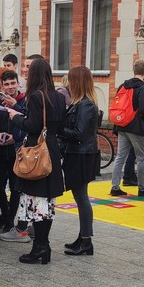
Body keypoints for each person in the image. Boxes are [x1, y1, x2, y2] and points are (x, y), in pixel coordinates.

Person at [3, 57, 66, 264]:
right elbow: (56, 125)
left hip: (37, 152)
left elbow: (32, 126)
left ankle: (39, 247)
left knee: (37, 203)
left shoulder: (37, 96)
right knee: (46, 203)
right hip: (51, 151)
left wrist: (15, 117)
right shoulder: (58, 96)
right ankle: (43, 246)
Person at [58, 65, 98, 256]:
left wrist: (58, 129)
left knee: (82, 198)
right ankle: (83, 237)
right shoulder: (80, 103)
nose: (68, 84)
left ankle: (86, 241)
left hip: (81, 155)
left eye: (71, 80)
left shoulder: (86, 105)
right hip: (78, 153)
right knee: (80, 197)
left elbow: (79, 133)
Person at [0, 69, 26, 234]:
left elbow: (29, 124)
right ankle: (5, 214)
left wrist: (15, 137)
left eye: (13, 83)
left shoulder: (24, 102)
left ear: (18, 83)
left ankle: (10, 220)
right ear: (2, 86)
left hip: (16, 151)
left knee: (15, 187)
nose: (10, 87)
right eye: (7, 84)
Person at [109, 59, 144, 197]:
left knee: (120, 156)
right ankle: (142, 188)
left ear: (134, 71)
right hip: (136, 127)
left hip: (121, 125)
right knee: (141, 157)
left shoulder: (123, 85)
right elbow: (143, 108)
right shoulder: (142, 88)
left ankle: (115, 187)